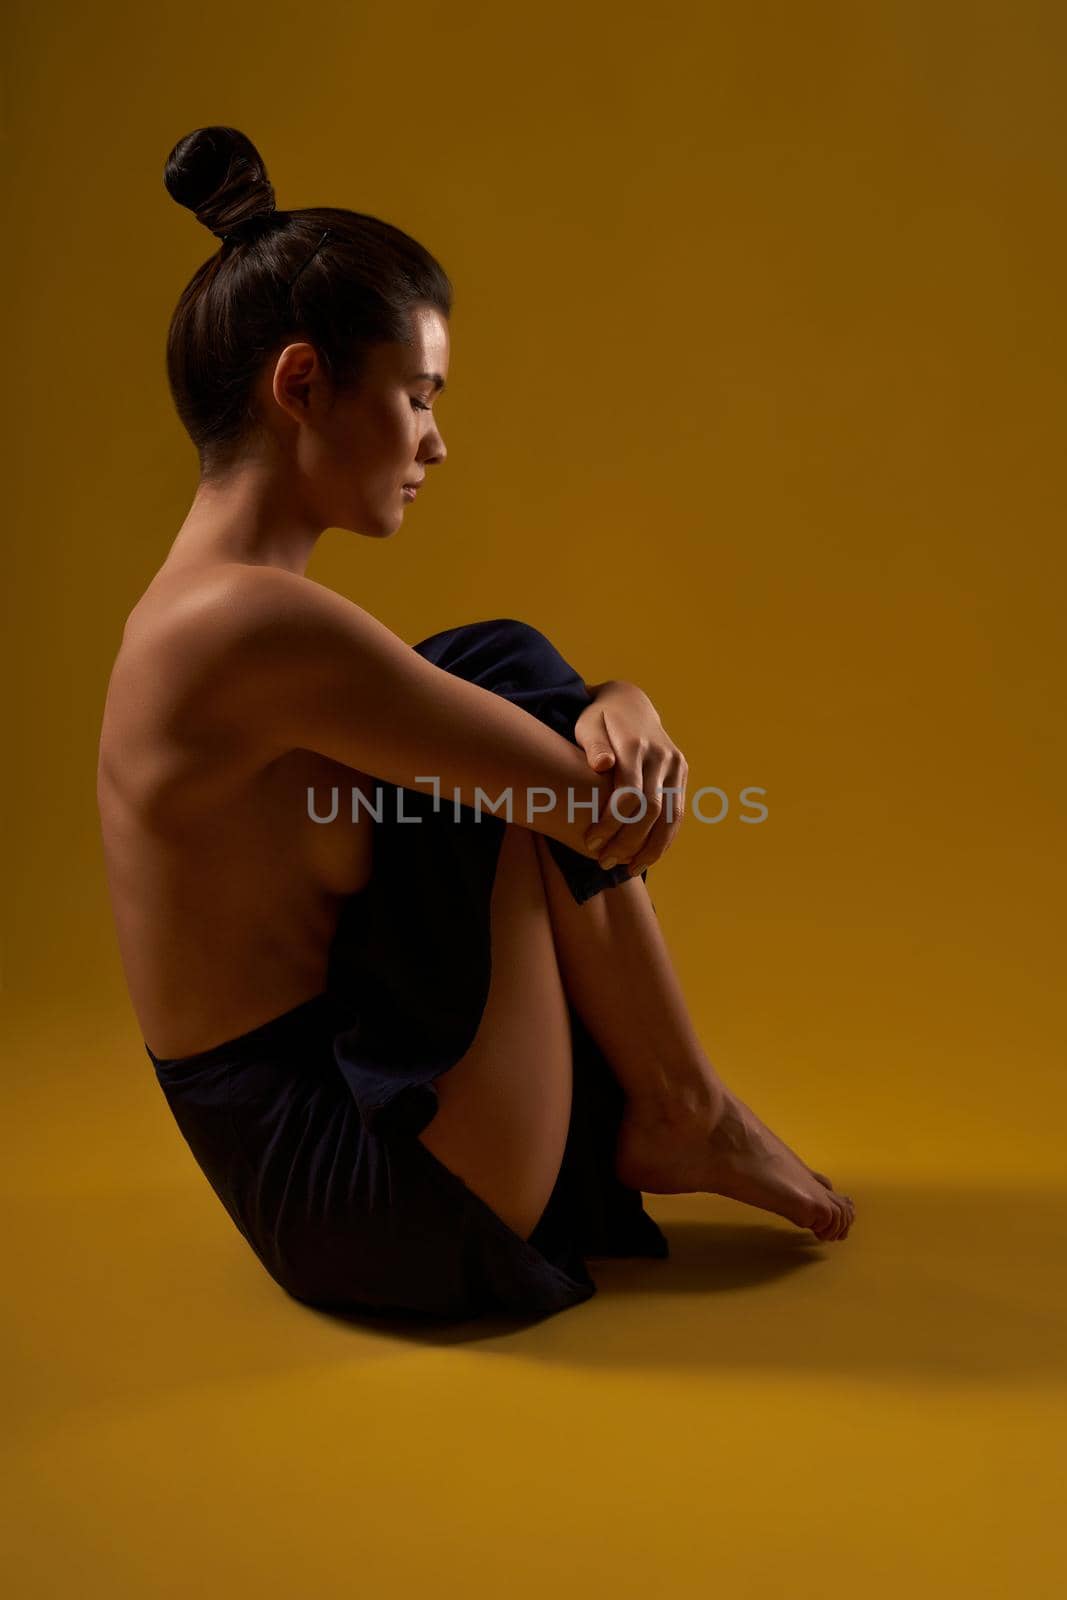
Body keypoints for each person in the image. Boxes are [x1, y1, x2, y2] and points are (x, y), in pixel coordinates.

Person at [96, 125, 855, 1323]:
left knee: (491, 678)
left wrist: (612, 701)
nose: (435, 441)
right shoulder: (250, 627)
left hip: (330, 1121)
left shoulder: (209, 615)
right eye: (415, 395)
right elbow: (593, 813)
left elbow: (511, 766)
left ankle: (680, 1106)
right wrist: (617, 709)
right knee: (500, 674)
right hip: (360, 1191)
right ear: (301, 384)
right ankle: (683, 1107)